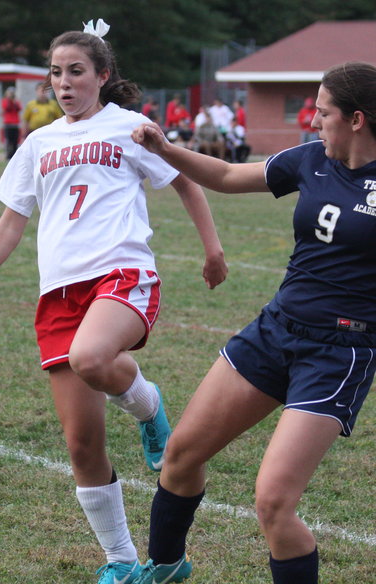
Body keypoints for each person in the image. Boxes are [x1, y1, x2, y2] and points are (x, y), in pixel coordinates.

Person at [0, 19, 227, 584]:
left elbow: (185, 181)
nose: (64, 83)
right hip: (58, 294)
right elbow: (9, 227)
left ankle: (148, 406)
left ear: (103, 76)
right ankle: (122, 561)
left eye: (76, 72)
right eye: (56, 73)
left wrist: (213, 249)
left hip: (122, 275)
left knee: (93, 357)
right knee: (81, 445)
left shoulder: (131, 127)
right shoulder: (38, 143)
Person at [130, 60, 376, 584]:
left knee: (273, 503)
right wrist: (165, 149)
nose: (313, 121)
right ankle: (165, 568)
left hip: (338, 353)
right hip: (275, 330)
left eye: (323, 112)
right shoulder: (310, 160)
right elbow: (224, 175)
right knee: (180, 455)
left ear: (356, 119)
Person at [1, 86, 22, 159]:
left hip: (15, 124)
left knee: (15, 141)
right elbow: (6, 107)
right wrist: (9, 100)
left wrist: (14, 101)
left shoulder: (16, 101)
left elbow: (19, 108)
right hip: (8, 124)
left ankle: (14, 155)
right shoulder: (5, 101)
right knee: (8, 141)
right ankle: (8, 155)